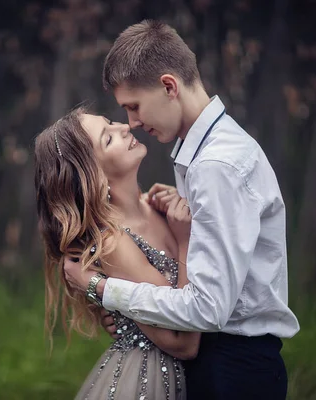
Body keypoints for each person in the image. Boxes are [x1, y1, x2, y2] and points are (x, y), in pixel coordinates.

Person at [63, 20, 300, 400]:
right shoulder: (202, 157)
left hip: (234, 369)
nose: (132, 124)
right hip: (222, 362)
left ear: (169, 86)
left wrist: (105, 290)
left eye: (134, 107)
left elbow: (207, 309)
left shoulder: (216, 166)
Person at [34, 108, 201, 399]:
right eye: (108, 139)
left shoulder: (155, 205)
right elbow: (183, 343)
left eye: (111, 124)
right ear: (95, 176)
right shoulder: (113, 243)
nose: (124, 127)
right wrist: (187, 242)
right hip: (151, 383)